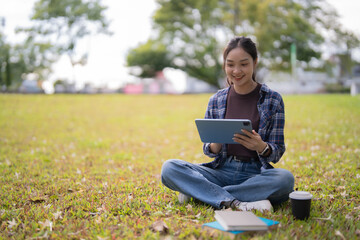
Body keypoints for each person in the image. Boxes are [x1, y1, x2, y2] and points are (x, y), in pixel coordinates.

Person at [161, 36, 294, 212]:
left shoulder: (273, 99)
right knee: (170, 168)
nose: (236, 71)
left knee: (285, 179)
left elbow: (276, 152)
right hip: (221, 170)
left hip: (255, 174)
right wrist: (215, 144)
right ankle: (237, 202)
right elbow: (208, 149)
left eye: (244, 64)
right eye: (230, 64)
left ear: (255, 62)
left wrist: (261, 146)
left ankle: (202, 193)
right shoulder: (216, 100)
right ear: (224, 65)